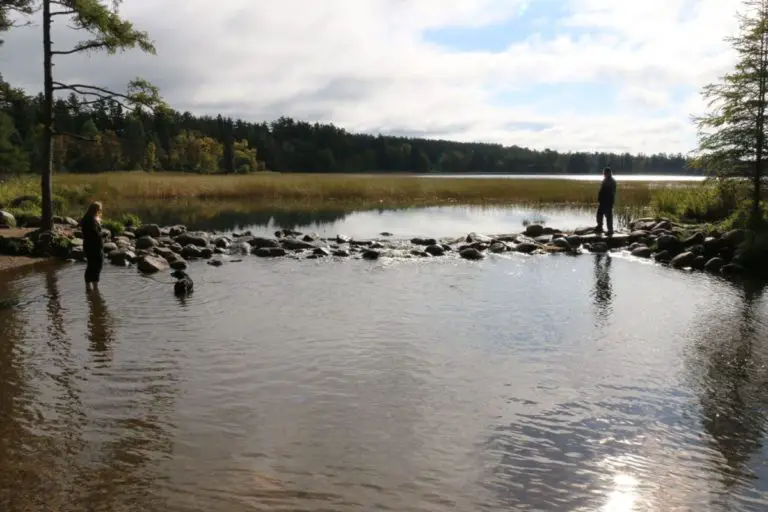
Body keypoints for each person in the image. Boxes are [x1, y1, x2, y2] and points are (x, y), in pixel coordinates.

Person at [80, 201, 104, 291]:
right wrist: (102, 233)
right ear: (97, 210)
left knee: (91, 265)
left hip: (88, 245)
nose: (101, 211)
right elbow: (96, 234)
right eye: (100, 209)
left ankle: (88, 286)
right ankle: (95, 287)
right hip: (94, 246)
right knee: (97, 265)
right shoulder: (92, 220)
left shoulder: (87, 218)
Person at [596, 167, 617, 236]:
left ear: (609, 173)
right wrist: (599, 198)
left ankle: (610, 230)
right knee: (599, 214)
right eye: (604, 173)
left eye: (605, 173)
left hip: (608, 201)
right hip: (602, 201)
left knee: (609, 216)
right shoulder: (605, 180)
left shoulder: (612, 181)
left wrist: (609, 201)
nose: (604, 174)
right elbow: (601, 190)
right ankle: (600, 227)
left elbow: (612, 192)